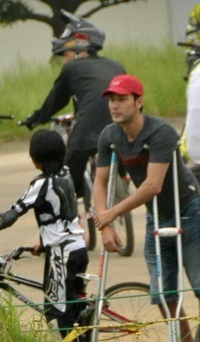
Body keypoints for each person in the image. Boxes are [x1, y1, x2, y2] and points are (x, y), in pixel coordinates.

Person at [93, 74, 200, 342]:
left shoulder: (160, 132)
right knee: (162, 291)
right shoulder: (110, 135)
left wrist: (112, 213)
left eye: (122, 99)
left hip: (187, 207)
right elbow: (100, 182)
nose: (115, 106)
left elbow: (153, 185)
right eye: (112, 100)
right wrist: (106, 225)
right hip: (157, 214)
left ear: (139, 102)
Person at [0, 130, 89, 342]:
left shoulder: (42, 183)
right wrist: (43, 240)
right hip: (78, 247)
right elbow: (61, 213)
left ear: (35, 158)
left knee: (57, 312)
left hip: (62, 253)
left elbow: (13, 213)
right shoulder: (65, 174)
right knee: (75, 306)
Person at [21, 12, 125, 203]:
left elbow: (55, 101)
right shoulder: (116, 65)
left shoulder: (72, 69)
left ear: (80, 51)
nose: (65, 60)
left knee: (69, 167)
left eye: (66, 54)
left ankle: (70, 205)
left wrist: (36, 118)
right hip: (122, 126)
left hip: (90, 129)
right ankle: (124, 177)